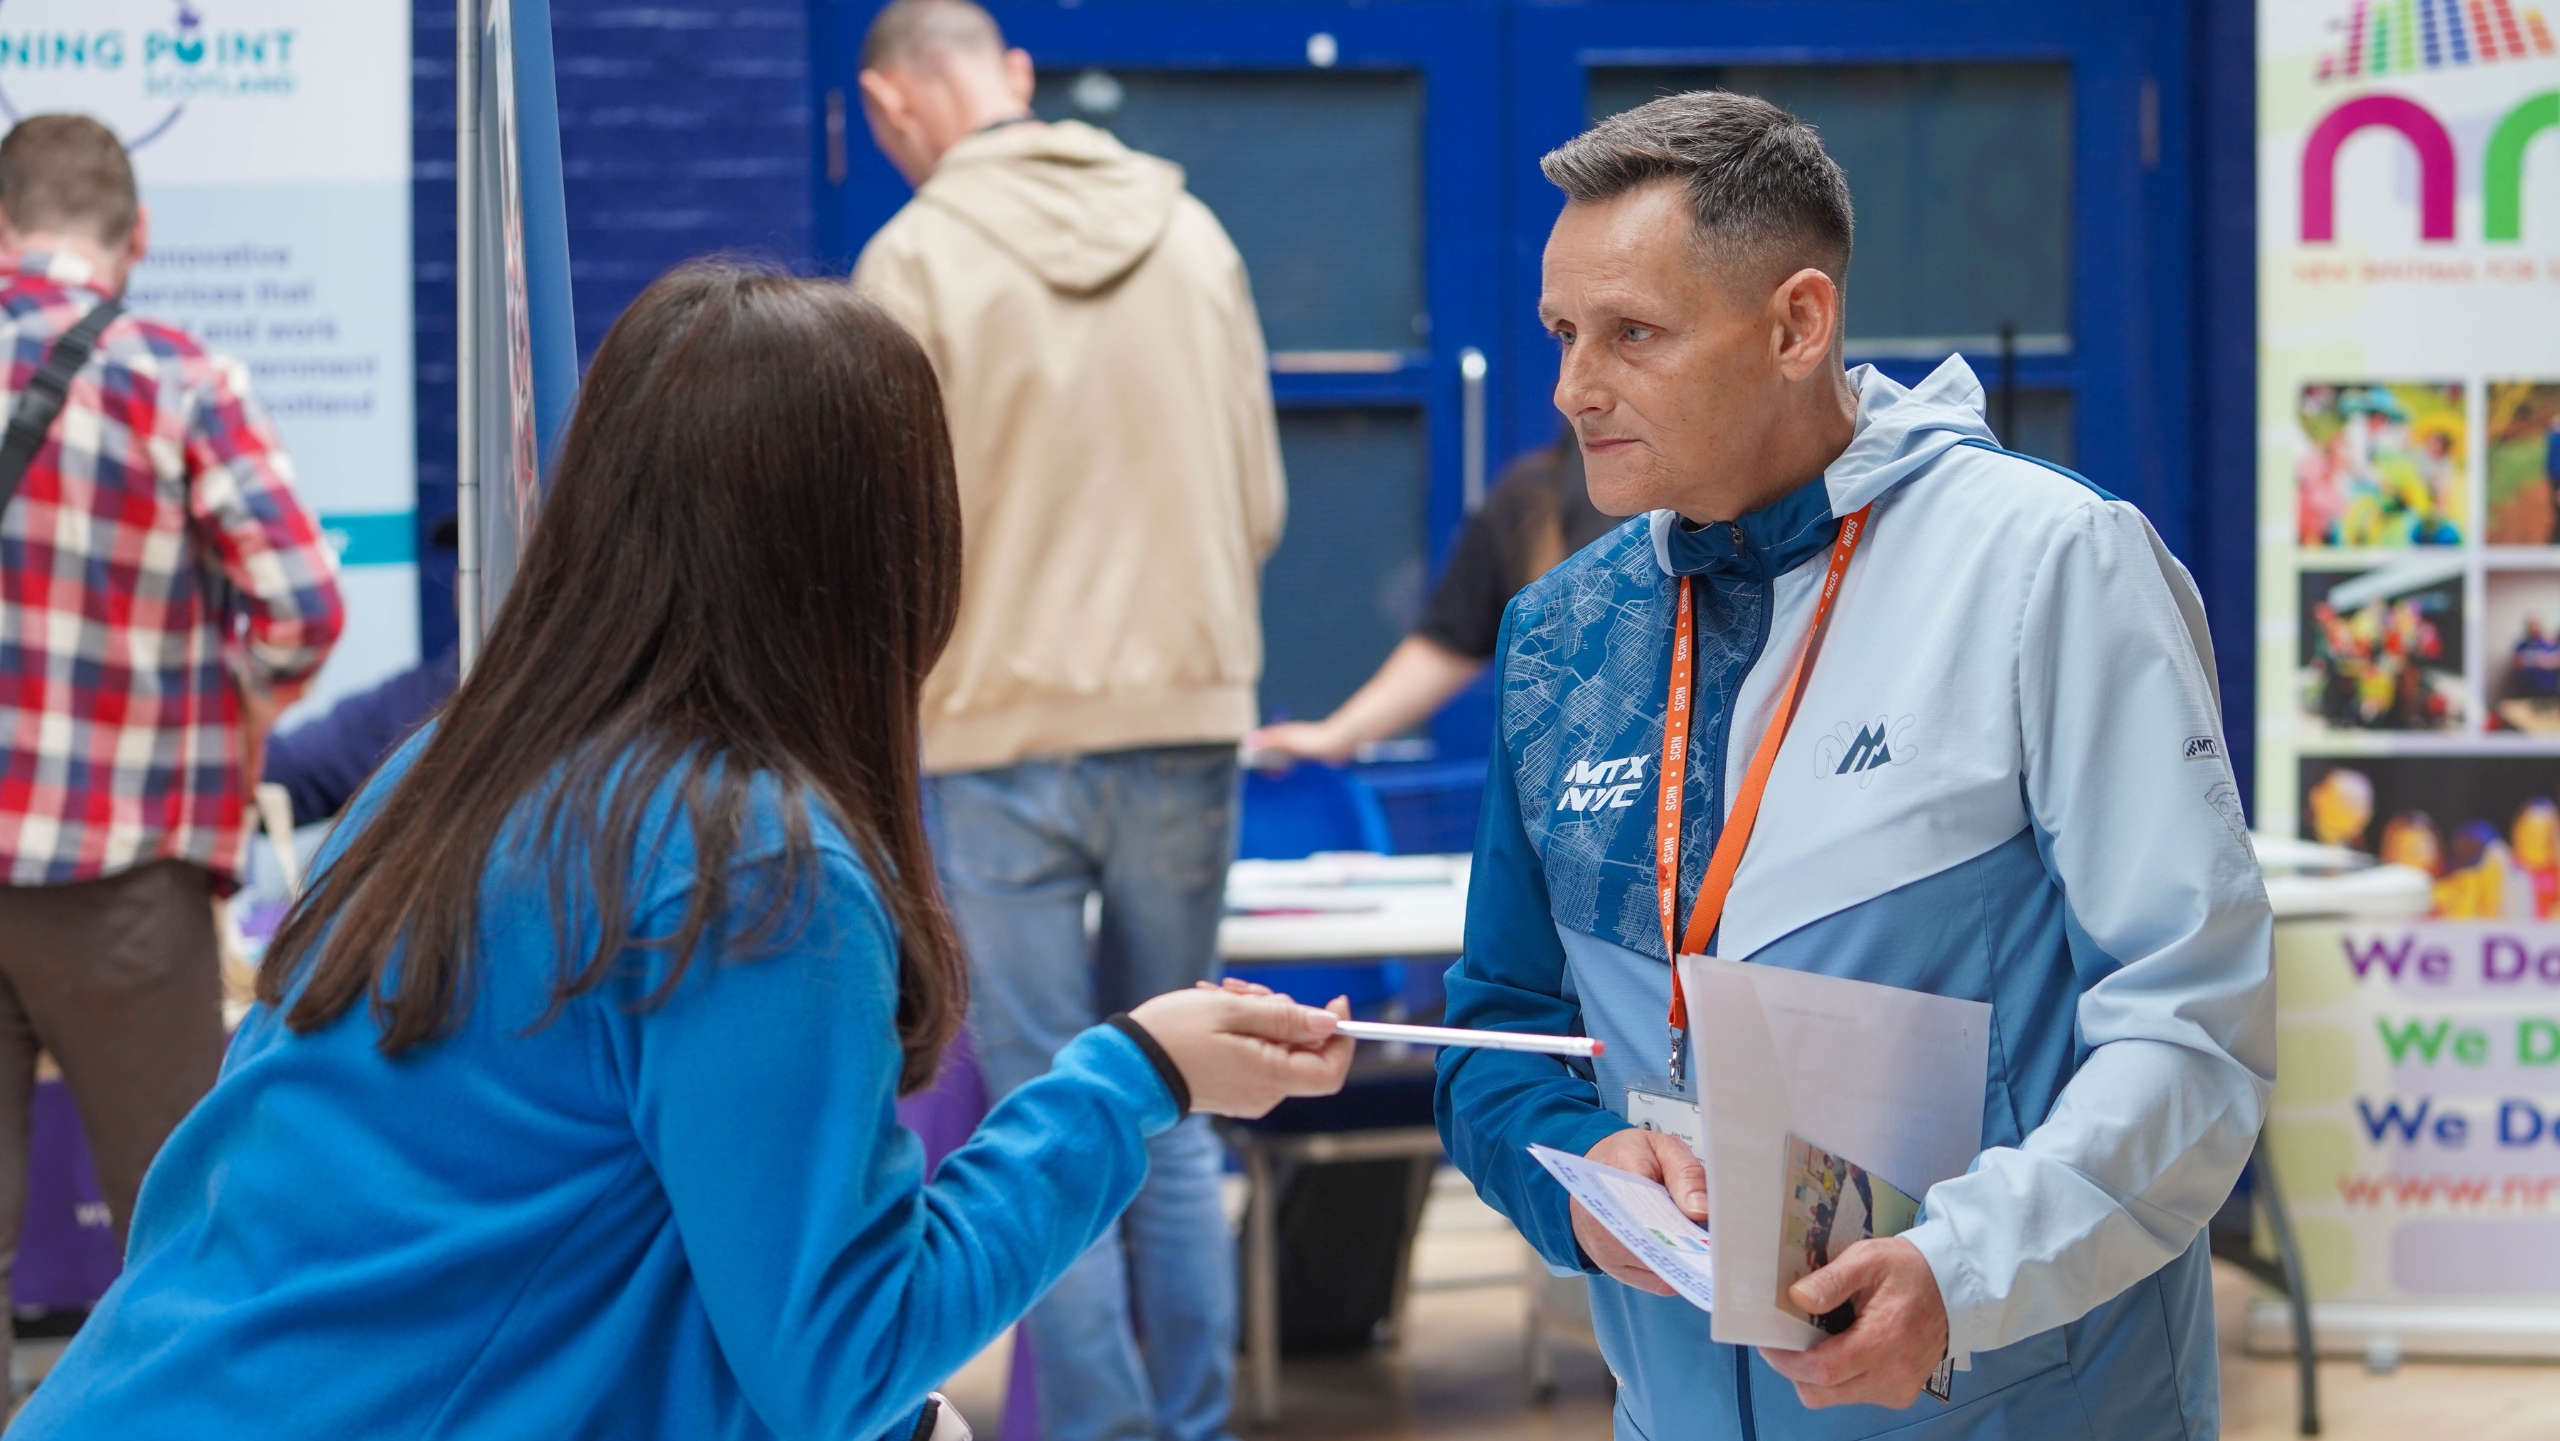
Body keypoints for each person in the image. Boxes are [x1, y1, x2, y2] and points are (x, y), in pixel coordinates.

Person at [8, 263, 1355, 1438]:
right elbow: (841, 1353)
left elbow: (559, 1264)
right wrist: (1133, 1078)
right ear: (889, 546)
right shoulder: (751, 866)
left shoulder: (449, 768)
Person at [1434, 92, 2272, 1437]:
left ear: (1796, 325)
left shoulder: (2047, 565)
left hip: (2019, 1399)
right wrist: (1587, 1165)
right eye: (1563, 333)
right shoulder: (1560, 635)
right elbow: (1495, 1030)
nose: (1572, 388)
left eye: (1631, 334)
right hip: (1683, 1405)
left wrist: (1961, 1271)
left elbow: (2191, 1025)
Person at [852, 5, 1286, 1438]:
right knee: (1184, 1102)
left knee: (1055, 1117)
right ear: (1017, 80)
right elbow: (1263, 504)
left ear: (887, 108)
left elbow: (887, 541)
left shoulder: (910, 262)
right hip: (1188, 714)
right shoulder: (1200, 236)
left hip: (996, 734)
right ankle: (1202, 1423)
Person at [0, 115, 342, 1382]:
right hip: (125, 864)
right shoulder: (179, 378)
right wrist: (232, 719)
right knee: (186, 1225)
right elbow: (303, 601)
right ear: (137, 238)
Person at [1250, 435, 1614, 765]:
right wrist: (1338, 734)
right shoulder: (1535, 494)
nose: (1571, 391)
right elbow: (1453, 638)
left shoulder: (1664, 516)